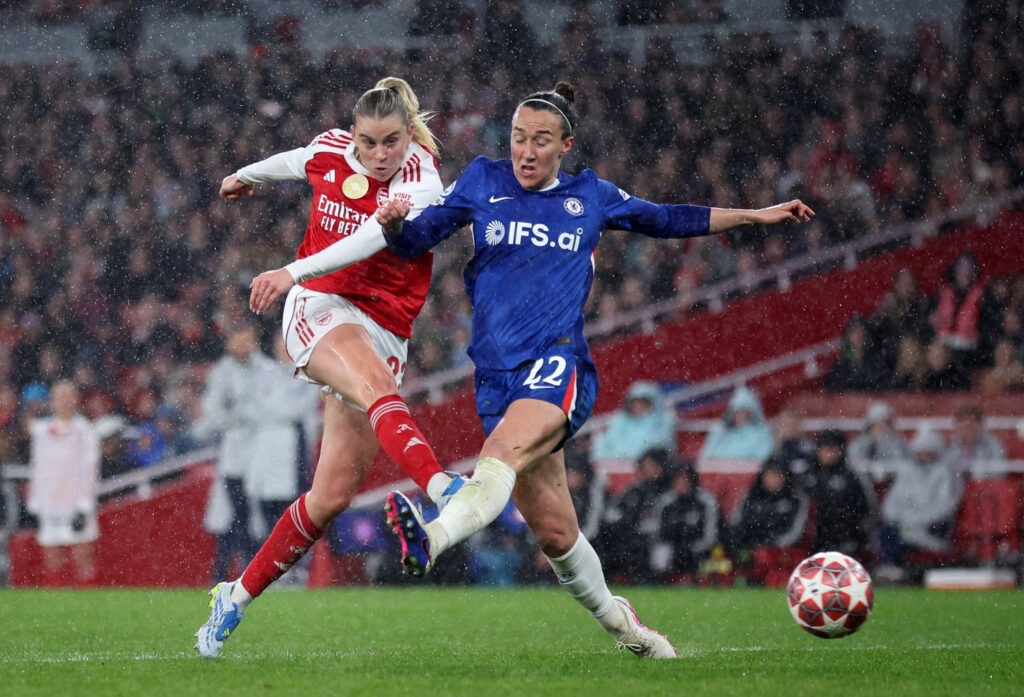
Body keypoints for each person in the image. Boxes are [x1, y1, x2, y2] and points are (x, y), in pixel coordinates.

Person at [285, 81, 812, 657]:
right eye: (518, 138)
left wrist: (754, 216)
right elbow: (414, 242)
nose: (526, 151)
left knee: (496, 460)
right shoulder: (482, 182)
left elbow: (668, 219)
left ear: (566, 145)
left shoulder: (592, 196)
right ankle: (627, 629)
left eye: (541, 141)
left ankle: (430, 539)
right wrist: (389, 225)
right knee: (557, 533)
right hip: (495, 376)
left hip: (556, 362)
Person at [196, 78, 464, 658]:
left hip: (385, 327)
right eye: (368, 143)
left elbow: (371, 239)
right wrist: (245, 176)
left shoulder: (422, 178)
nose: (378, 155)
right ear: (354, 135)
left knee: (331, 496)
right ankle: (445, 488)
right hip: (318, 306)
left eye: (390, 141)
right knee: (375, 387)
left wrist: (291, 267)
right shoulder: (331, 149)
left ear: (407, 134)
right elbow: (296, 160)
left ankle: (233, 597)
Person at [26, 381, 101, 586]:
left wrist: (84, 505)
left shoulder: (85, 430)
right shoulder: (42, 431)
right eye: (58, 397)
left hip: (75, 503)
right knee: (52, 560)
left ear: (76, 400)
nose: (63, 402)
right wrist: (33, 503)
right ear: (52, 402)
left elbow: (91, 469)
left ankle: (88, 608)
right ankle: (59, 610)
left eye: (68, 396)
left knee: (82, 559)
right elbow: (37, 468)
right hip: (49, 503)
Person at [878, 429, 963, 575]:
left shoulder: (945, 473)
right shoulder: (906, 471)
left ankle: (899, 567)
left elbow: (945, 506)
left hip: (931, 527)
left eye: (927, 449)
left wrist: (917, 520)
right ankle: (891, 567)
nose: (923, 454)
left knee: (902, 534)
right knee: (888, 529)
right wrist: (901, 519)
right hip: (907, 525)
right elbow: (892, 503)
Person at [802, 429, 874, 557]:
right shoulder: (807, 476)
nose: (829, 453)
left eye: (833, 449)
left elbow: (864, 510)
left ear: (841, 451)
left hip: (845, 536)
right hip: (813, 537)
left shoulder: (852, 477)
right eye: (825, 449)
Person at [589, 380, 676, 461]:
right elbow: (604, 445)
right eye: (636, 402)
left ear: (652, 404)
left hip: (645, 470)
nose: (639, 406)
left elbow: (658, 447)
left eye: (643, 402)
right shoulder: (620, 421)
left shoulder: (661, 422)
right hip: (614, 468)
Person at [698, 385, 775, 464]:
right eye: (737, 412)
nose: (739, 416)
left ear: (750, 413)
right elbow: (705, 458)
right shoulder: (720, 433)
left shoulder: (761, 435)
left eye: (743, 411)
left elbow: (761, 461)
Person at [847, 400, 912, 478]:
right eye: (877, 423)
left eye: (885, 423)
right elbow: (854, 460)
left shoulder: (897, 441)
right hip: (865, 479)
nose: (881, 426)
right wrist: (871, 440)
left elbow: (903, 462)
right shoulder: (861, 441)